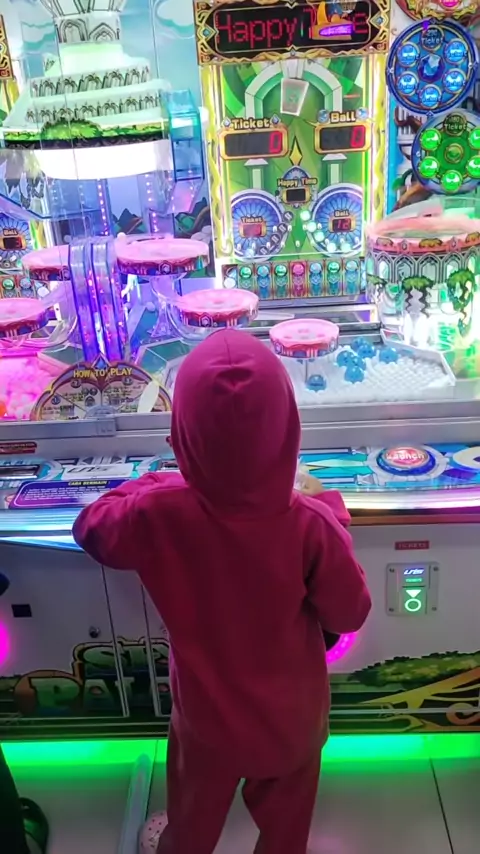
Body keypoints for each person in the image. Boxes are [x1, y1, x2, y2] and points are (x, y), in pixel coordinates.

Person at [73, 329, 371, 854]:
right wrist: (330, 507)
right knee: (285, 835)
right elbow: (349, 612)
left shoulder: (157, 513)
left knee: (190, 824)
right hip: (292, 724)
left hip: (206, 725)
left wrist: (159, 484)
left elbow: (92, 527)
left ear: (181, 434)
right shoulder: (311, 523)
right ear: (288, 428)